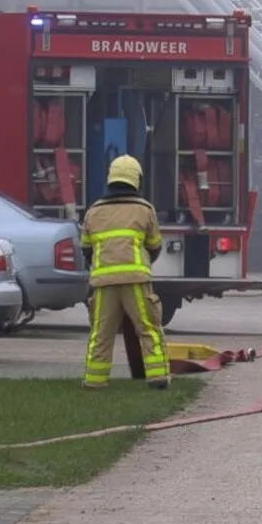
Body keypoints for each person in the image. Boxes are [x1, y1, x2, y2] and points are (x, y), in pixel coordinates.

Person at [78, 154, 170, 389]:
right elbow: (155, 245)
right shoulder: (144, 209)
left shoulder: (94, 211)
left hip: (103, 283)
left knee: (101, 333)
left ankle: (94, 380)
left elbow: (86, 249)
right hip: (136, 282)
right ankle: (157, 377)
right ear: (136, 179)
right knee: (149, 329)